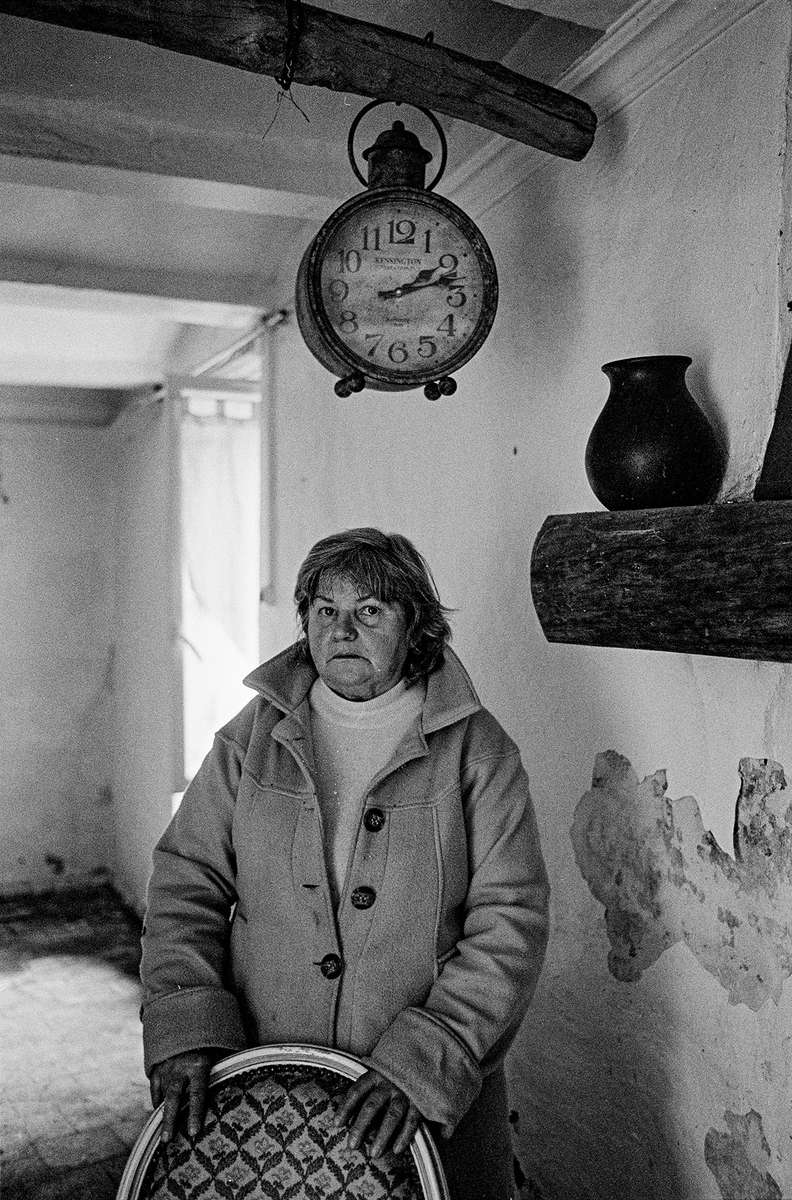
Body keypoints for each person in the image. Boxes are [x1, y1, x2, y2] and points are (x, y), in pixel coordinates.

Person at [140, 527, 549, 1199]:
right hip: (261, 1081)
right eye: (325, 610)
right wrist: (186, 1022)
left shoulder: (477, 750)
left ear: (415, 623)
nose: (343, 629)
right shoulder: (251, 737)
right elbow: (189, 881)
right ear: (303, 623)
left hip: (417, 1109)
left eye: (370, 611)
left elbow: (512, 921)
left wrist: (425, 1061)